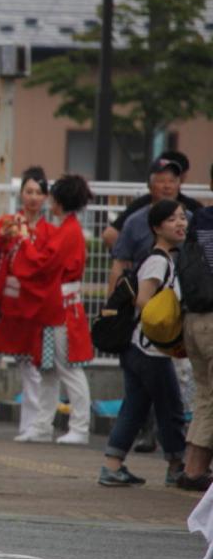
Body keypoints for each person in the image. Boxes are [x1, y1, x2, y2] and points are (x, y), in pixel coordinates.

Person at [99, 199, 188, 487]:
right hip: (150, 349)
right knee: (170, 406)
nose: (181, 223)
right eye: (173, 219)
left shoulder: (163, 259)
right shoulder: (158, 261)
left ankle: (112, 466)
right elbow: (143, 301)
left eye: (183, 218)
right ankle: (177, 466)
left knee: (136, 407)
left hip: (138, 347)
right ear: (157, 227)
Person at [7, 175, 95, 445]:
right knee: (49, 369)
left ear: (58, 201)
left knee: (66, 368)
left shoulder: (67, 232)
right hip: (56, 306)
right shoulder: (68, 229)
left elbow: (42, 263)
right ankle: (43, 425)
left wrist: (24, 241)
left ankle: (78, 427)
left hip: (60, 308)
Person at [0, 168, 50, 443]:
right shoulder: (7, 222)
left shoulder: (46, 231)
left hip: (28, 308)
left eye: (39, 193)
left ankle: (31, 426)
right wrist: (4, 237)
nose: (33, 198)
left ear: (46, 197)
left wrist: (23, 239)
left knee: (30, 369)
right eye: (28, 192)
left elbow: (41, 265)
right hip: (2, 305)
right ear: (21, 194)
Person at [177, 168, 213, 491]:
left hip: (192, 319)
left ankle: (192, 467)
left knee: (205, 395)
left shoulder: (198, 220)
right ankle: (194, 469)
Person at [102, 150, 201, 250]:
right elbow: (109, 235)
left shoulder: (193, 211)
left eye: (172, 180)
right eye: (161, 181)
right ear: (149, 185)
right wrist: (125, 256)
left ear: (180, 181)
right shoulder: (138, 212)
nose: (167, 186)